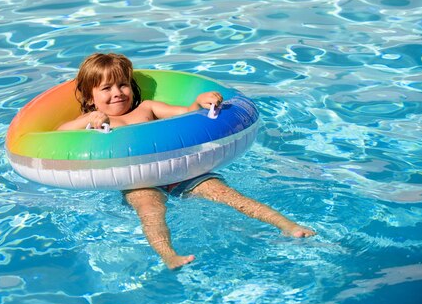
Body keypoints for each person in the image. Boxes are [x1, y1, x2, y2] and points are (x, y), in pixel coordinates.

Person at [58, 53, 316, 269]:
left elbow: (187, 116)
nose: (117, 93)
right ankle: (169, 255)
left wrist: (200, 102)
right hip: (137, 180)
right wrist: (91, 125)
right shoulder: (92, 119)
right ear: (91, 97)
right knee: (151, 211)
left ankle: (288, 225)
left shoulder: (146, 108)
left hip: (182, 170)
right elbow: (58, 137)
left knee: (228, 195)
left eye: (123, 84)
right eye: (106, 88)